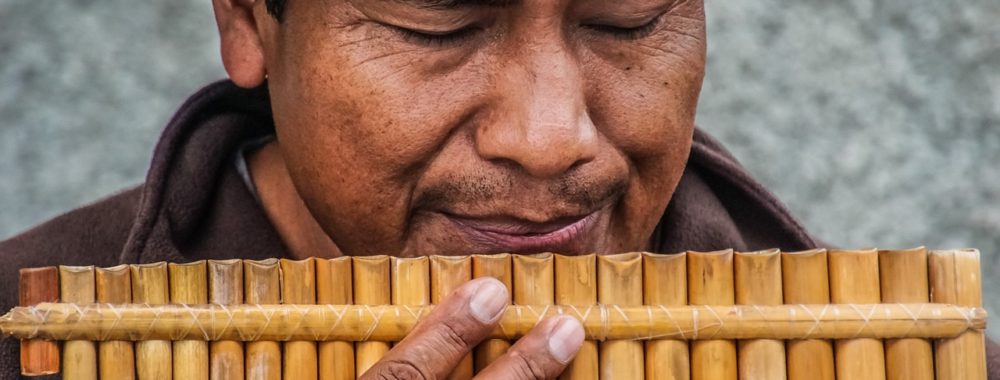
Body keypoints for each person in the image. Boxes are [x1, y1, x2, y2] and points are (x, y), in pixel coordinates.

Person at [0, 0, 995, 378]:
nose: (547, 136)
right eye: (438, 27)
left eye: (626, 19)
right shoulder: (22, 341)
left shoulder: (909, 358)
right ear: (249, 21)